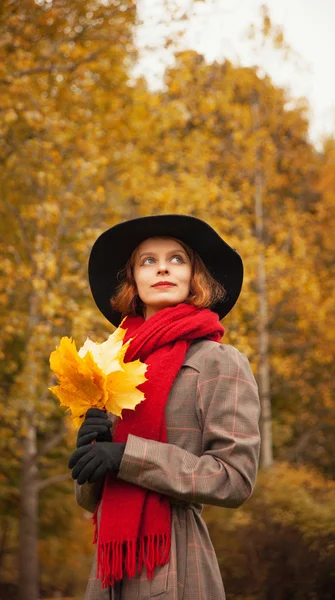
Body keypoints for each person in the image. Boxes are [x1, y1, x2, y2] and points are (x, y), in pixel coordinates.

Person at [68, 214, 261, 599]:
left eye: (176, 259)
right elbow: (88, 500)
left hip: (175, 560)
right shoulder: (112, 367)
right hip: (109, 571)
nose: (162, 269)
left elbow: (235, 479)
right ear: (133, 280)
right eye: (147, 261)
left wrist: (126, 456)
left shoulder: (219, 361)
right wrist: (91, 456)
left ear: (195, 275)